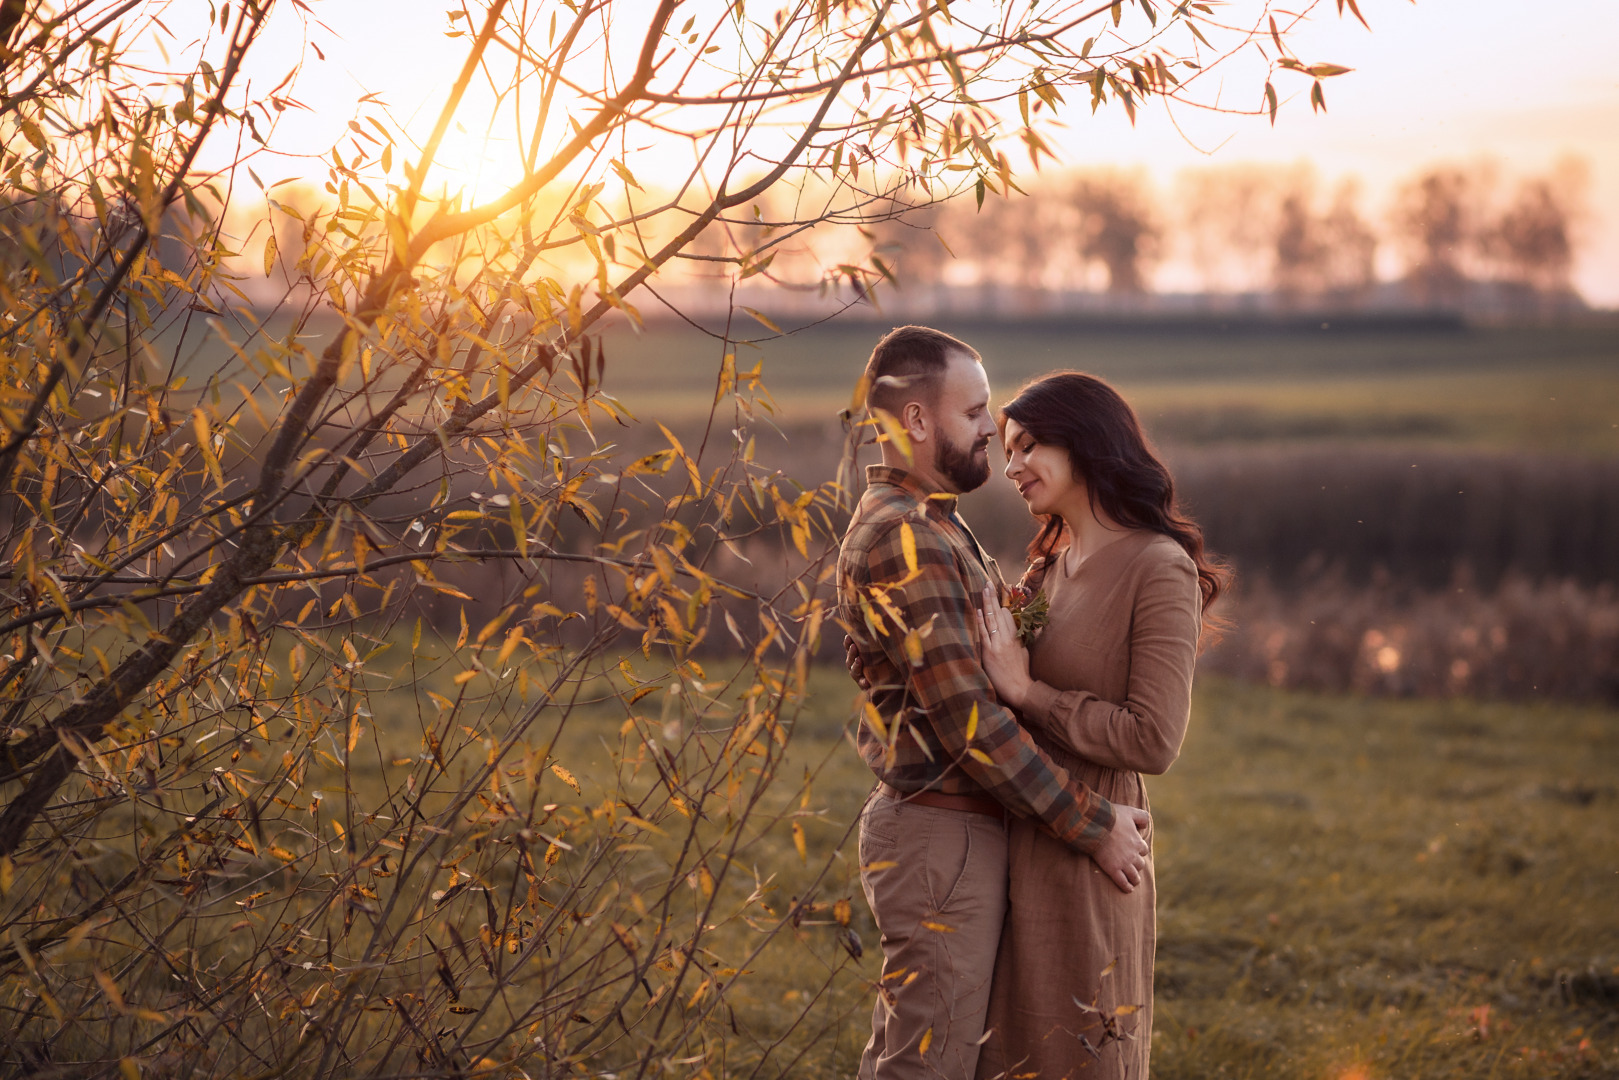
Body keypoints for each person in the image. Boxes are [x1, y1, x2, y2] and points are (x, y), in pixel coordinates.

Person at [838, 327, 1153, 1080]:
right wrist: (1093, 824)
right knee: (929, 1065)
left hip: (952, 837)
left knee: (919, 1054)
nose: (993, 428)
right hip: (938, 839)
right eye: (975, 410)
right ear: (916, 420)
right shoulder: (905, 538)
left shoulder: (932, 523)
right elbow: (970, 724)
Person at [971, 372, 1227, 1080]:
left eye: (1027, 446)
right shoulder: (1046, 565)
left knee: (1074, 1054)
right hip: (1026, 827)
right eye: (1004, 449)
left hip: (1094, 852)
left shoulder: (1158, 568)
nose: (1011, 466)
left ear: (1083, 442)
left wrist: (1027, 691)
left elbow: (1154, 738)